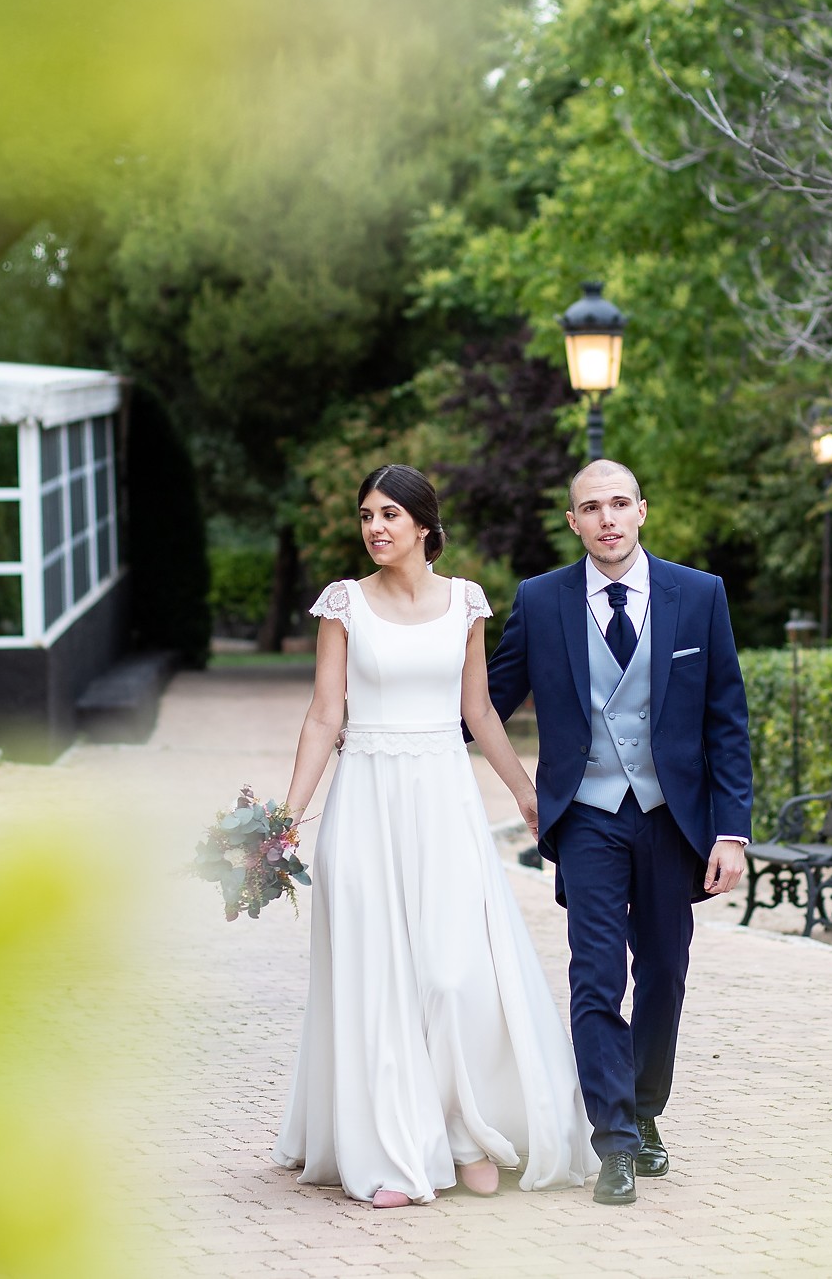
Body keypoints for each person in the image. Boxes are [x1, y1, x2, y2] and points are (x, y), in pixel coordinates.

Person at [272, 464, 598, 1208]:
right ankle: (396, 1152)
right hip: (366, 801)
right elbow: (324, 716)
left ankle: (467, 1132)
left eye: (390, 514)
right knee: (379, 978)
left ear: (424, 525)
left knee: (454, 976)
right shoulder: (344, 605)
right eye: (366, 516)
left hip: (445, 801)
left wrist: (524, 791)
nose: (375, 528)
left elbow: (479, 712)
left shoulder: (465, 604)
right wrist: (285, 820)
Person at [485, 459, 754, 1206]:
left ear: (642, 510)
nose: (606, 518)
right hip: (587, 816)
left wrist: (731, 832)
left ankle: (643, 1104)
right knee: (595, 974)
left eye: (618, 503)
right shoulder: (540, 601)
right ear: (573, 521)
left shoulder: (699, 594)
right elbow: (487, 703)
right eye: (590, 507)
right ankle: (615, 1140)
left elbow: (727, 721)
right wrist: (392, 730)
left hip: (672, 816)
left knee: (664, 971)